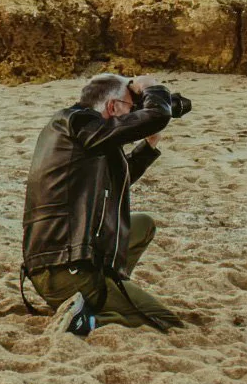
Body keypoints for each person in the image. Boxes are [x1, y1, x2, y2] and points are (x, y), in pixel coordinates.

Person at [21, 73, 184, 336]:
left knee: (143, 225)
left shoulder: (85, 133)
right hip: (65, 269)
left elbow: (116, 179)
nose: (134, 114)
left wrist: (149, 144)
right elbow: (156, 115)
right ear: (112, 106)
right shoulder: (76, 122)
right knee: (163, 321)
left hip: (65, 260)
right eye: (131, 106)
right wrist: (151, 88)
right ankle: (87, 320)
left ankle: (109, 291)